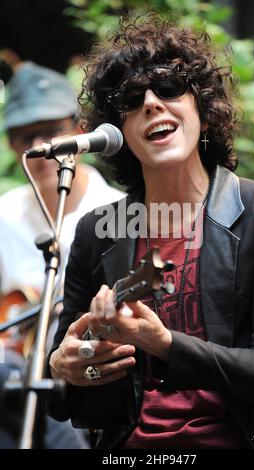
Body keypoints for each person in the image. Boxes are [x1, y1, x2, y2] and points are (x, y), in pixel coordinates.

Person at [48, 16, 254, 449]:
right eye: (131, 98)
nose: (151, 103)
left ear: (200, 105)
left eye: (168, 87)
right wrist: (71, 370)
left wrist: (163, 344)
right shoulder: (97, 232)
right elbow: (76, 407)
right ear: (119, 131)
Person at [0, 59, 125, 448]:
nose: (43, 148)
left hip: (85, 372)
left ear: (80, 131)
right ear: (12, 146)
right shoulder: (3, 214)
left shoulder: (121, 213)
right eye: (27, 137)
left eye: (53, 132)